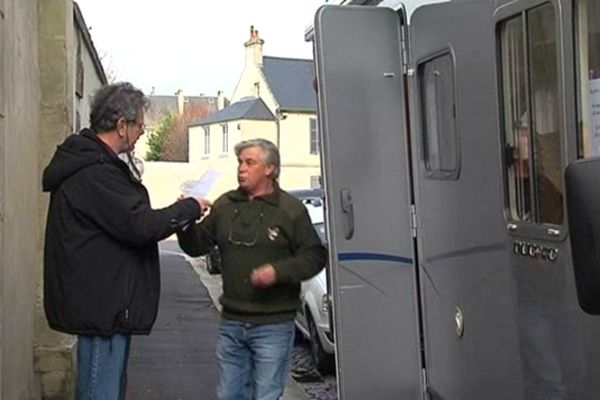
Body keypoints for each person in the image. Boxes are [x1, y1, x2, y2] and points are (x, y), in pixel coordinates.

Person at [41, 82, 209, 400]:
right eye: (140, 126)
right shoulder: (96, 173)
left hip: (103, 304)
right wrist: (190, 206)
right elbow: (140, 225)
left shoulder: (93, 166)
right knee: (99, 391)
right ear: (121, 126)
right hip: (102, 308)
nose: (143, 133)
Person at [177, 138, 327, 400]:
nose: (241, 169)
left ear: (269, 168)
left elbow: (314, 255)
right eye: (240, 163)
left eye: (250, 162)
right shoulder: (225, 205)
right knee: (229, 394)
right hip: (232, 322)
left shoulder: (289, 210)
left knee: (266, 395)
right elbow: (197, 246)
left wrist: (278, 272)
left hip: (273, 325)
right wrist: (185, 224)